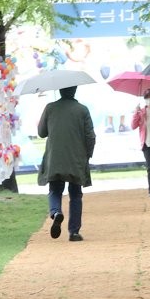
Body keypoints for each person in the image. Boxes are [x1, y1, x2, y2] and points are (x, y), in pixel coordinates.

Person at [37, 85, 96, 242]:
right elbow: (90, 136)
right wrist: (88, 154)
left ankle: (56, 213)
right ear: (74, 91)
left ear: (61, 91)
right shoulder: (82, 110)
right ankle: (74, 232)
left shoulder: (50, 108)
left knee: (55, 190)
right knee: (75, 194)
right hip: (76, 158)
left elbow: (41, 132)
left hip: (54, 157)